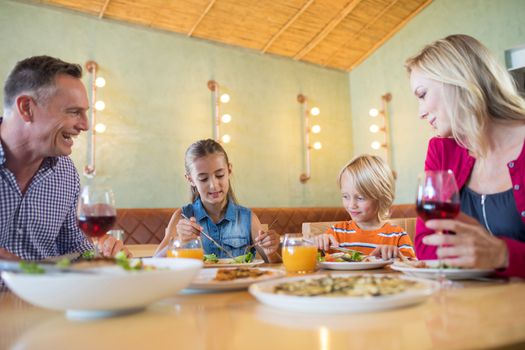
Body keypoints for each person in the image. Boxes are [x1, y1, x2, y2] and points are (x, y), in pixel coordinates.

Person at [406, 34, 525, 277]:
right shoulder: (442, 151)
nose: (420, 112)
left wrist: (501, 255)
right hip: (467, 305)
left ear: (456, 80)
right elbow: (425, 247)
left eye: (422, 94)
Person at [0, 55, 127, 262]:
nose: (85, 125)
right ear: (26, 108)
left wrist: (101, 251)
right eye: (74, 112)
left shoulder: (65, 172)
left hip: (47, 294)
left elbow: (74, 246)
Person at [155, 139, 281, 262]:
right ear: (190, 180)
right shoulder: (182, 217)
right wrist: (178, 241)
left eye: (220, 175)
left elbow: (274, 264)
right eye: (204, 179)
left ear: (229, 170)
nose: (213, 185)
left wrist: (271, 252)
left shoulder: (246, 218)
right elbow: (155, 262)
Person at [313, 155, 416, 260]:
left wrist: (397, 257)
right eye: (345, 196)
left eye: (360, 198)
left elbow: (412, 267)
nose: (351, 205)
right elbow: (317, 262)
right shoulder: (335, 233)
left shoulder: (397, 236)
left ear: (381, 197)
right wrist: (318, 247)